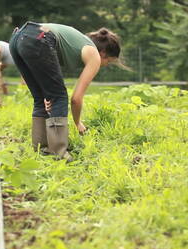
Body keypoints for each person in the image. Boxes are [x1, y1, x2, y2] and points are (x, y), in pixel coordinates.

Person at [9, 21, 124, 160]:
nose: (105, 65)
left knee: (41, 98)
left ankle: (41, 149)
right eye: (109, 61)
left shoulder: (78, 42)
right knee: (59, 96)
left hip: (17, 39)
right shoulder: (94, 54)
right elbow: (76, 99)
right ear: (104, 53)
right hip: (38, 37)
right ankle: (59, 153)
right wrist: (77, 122)